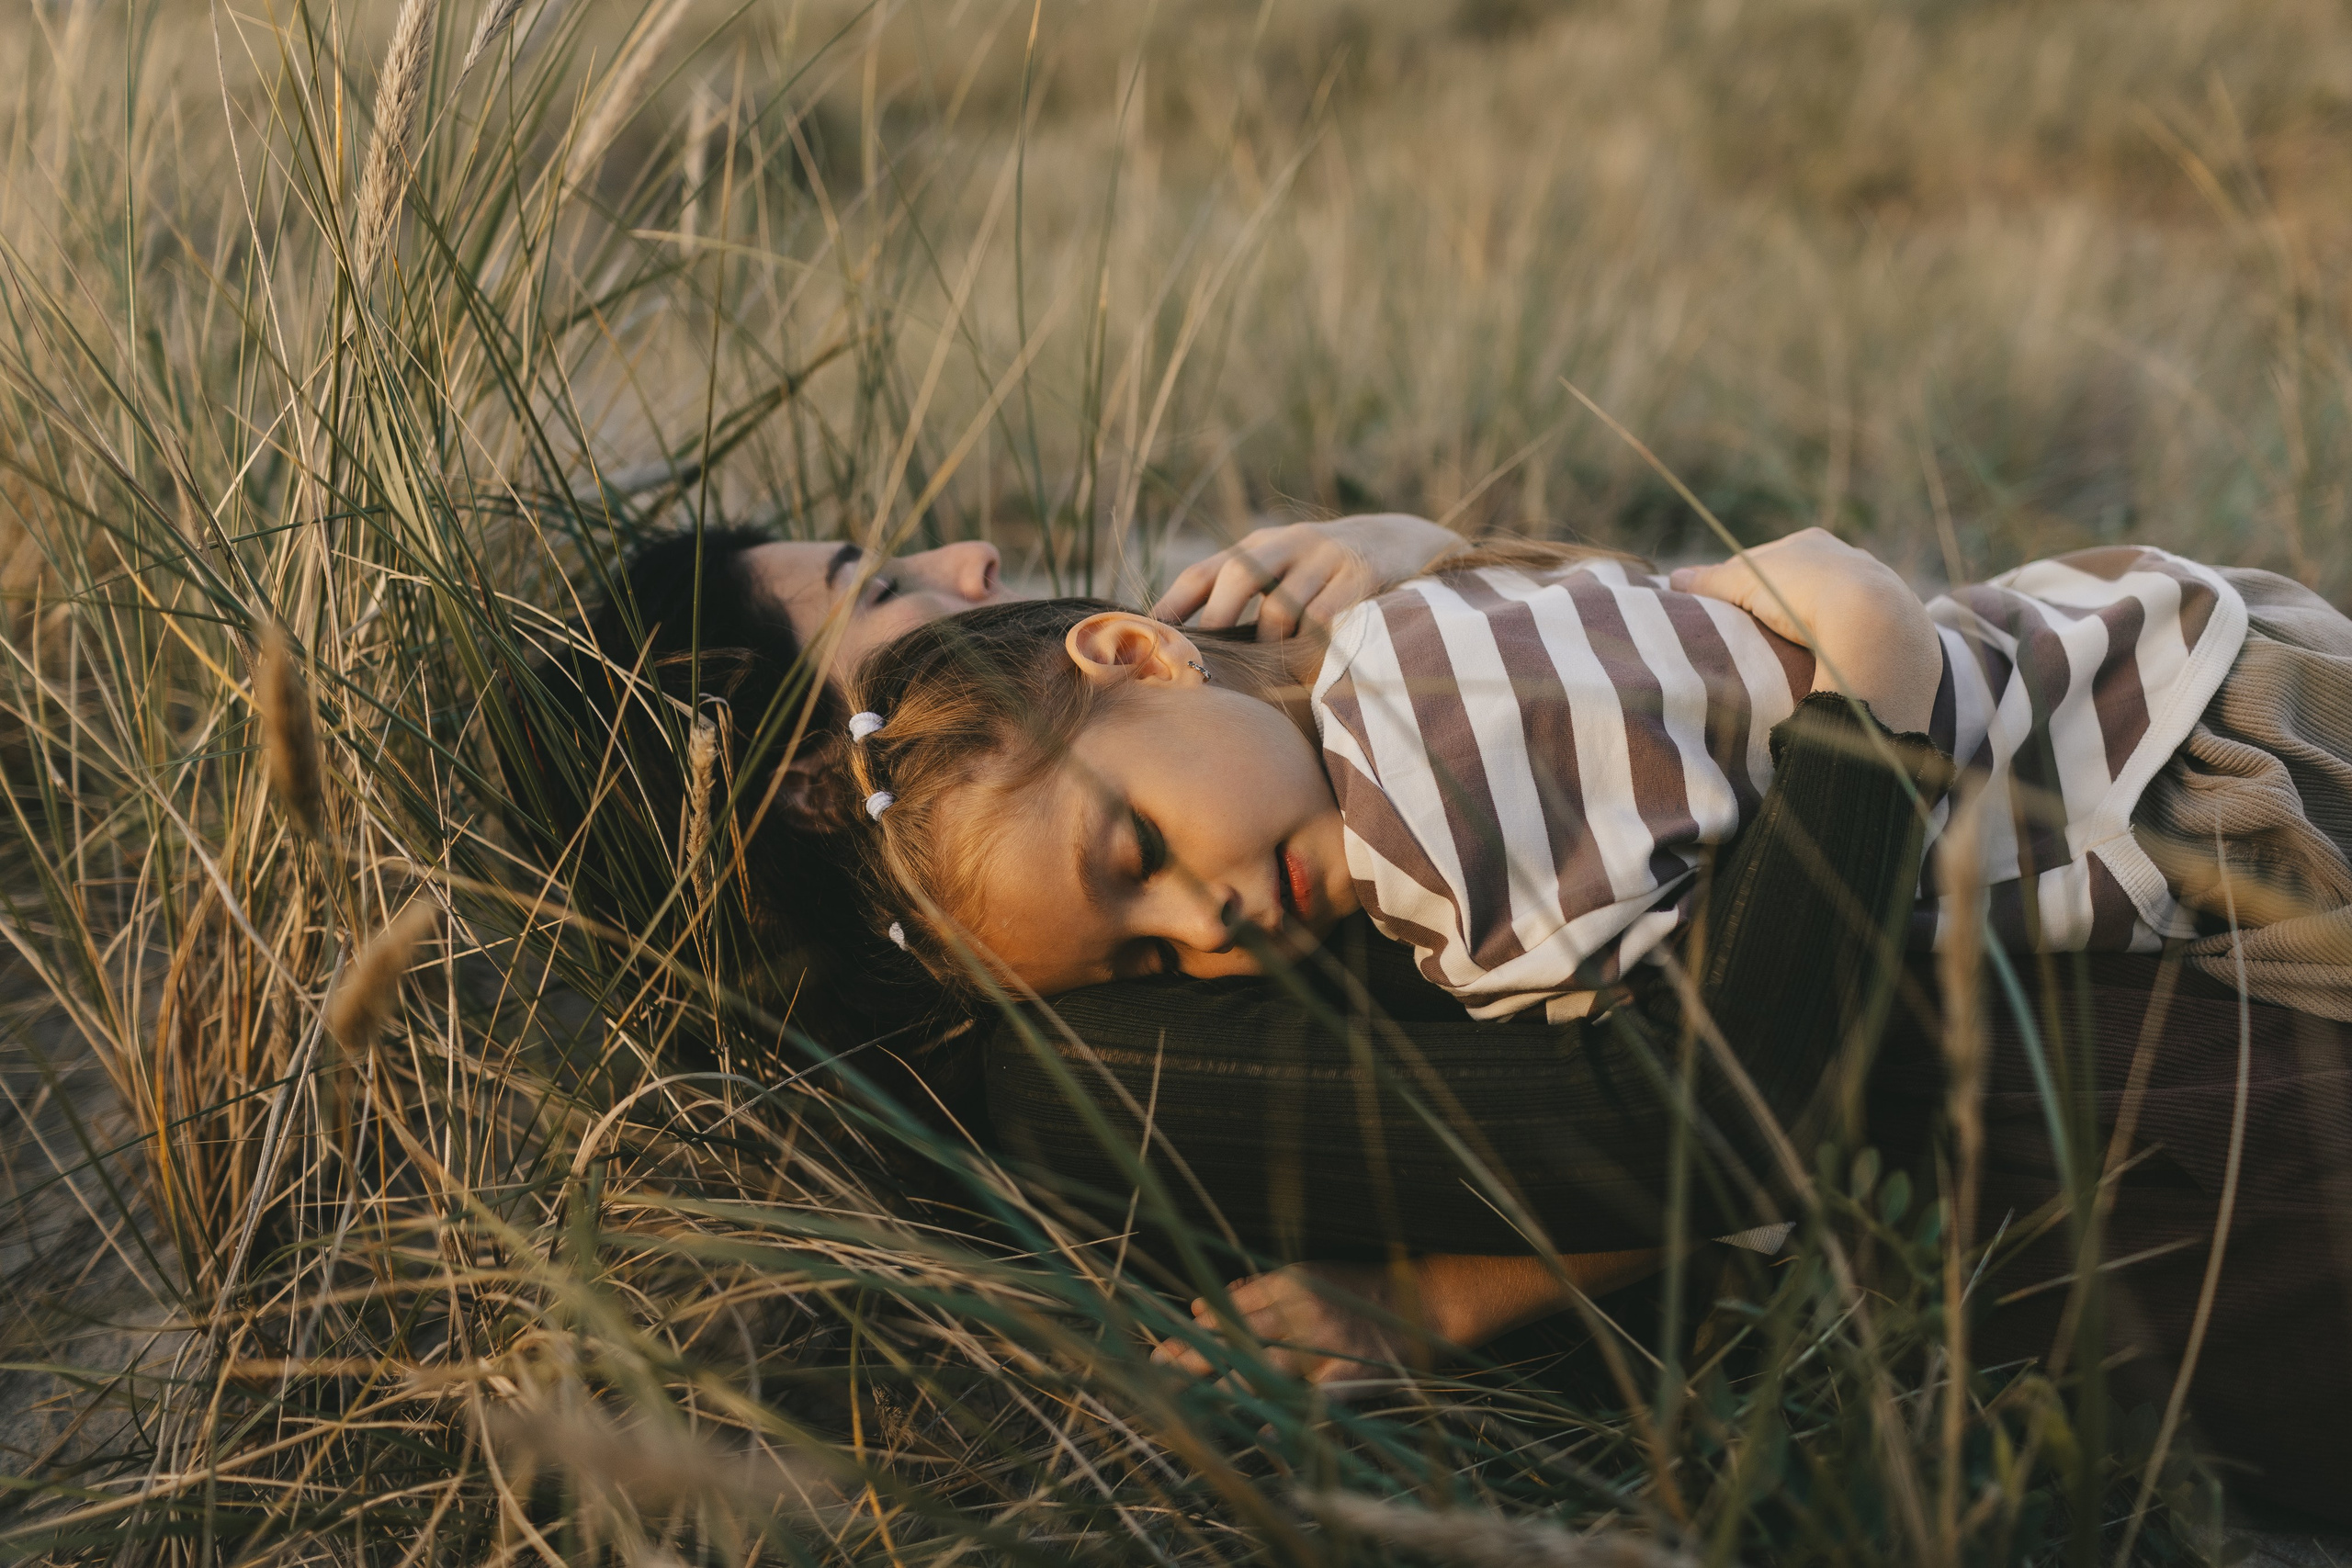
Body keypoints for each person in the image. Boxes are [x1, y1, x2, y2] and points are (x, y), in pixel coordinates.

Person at [839, 531, 2352, 1025]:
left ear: (1139, 655)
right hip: (2155, 651)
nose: (1211, 919)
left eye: (1139, 852)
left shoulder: (1424, 828)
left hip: (2177, 787)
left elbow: (1701, 1084)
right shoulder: (1399, 633)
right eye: (1153, 954)